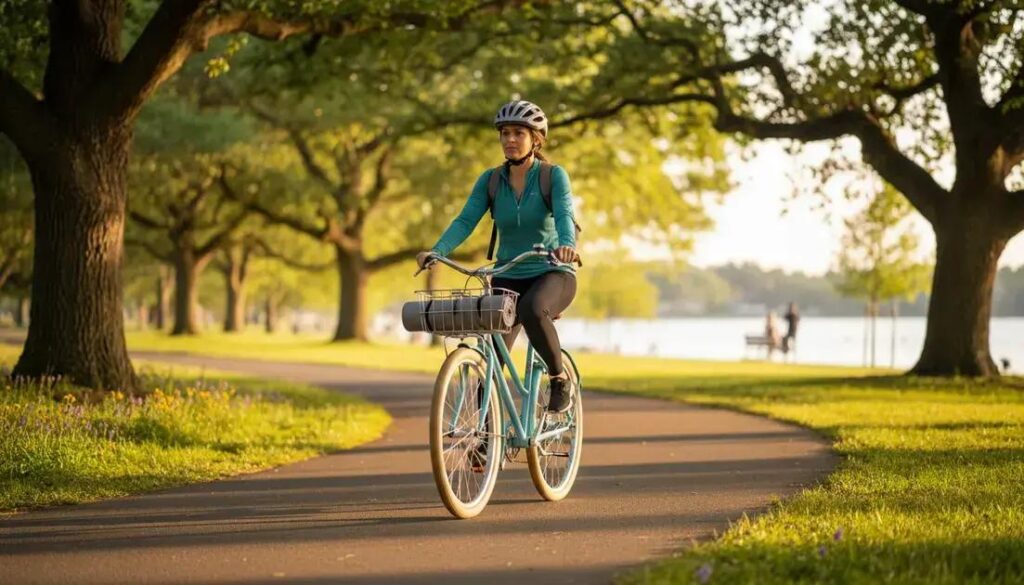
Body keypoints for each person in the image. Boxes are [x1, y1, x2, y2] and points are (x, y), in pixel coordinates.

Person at [416, 100, 579, 413]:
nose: (510, 139)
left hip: (552, 272)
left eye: (519, 132)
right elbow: (465, 220)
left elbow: (564, 215)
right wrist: (438, 250)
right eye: (505, 133)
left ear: (536, 140)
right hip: (507, 275)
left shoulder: (552, 176)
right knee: (490, 360)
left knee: (532, 309)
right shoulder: (490, 181)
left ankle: (558, 378)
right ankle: (480, 443)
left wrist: (567, 246)